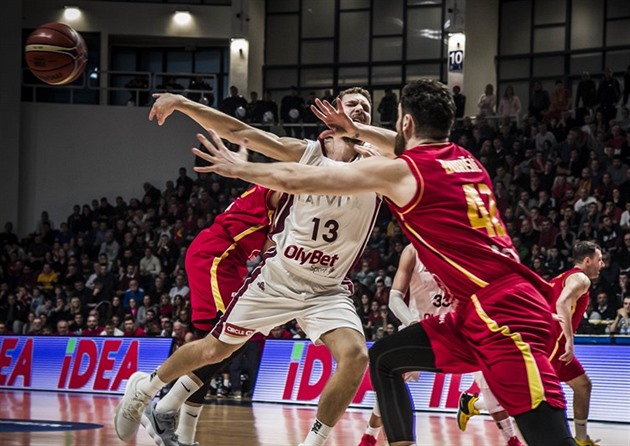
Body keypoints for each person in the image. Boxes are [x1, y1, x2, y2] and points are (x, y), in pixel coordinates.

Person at [192, 78, 575, 446]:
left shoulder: (405, 171)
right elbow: (398, 142)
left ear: (406, 121)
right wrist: (356, 130)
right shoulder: (463, 158)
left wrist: (240, 169)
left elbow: (299, 180)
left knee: (549, 437)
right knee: (385, 358)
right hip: (477, 310)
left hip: (505, 316)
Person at [116, 87, 382, 446]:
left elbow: (422, 148)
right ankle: (146, 389)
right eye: (353, 105)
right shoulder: (307, 154)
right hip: (277, 280)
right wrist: (183, 103)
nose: (361, 110)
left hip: (328, 289)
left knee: (355, 356)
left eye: (367, 108)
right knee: (215, 349)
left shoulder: (382, 166)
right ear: (331, 117)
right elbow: (244, 133)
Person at [358, 243, 523, 446]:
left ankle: (511, 439)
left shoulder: (457, 246)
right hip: (420, 328)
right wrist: (412, 325)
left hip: (455, 329)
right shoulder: (412, 251)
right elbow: (394, 298)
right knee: (389, 382)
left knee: (492, 382)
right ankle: (369, 437)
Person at [550, 241, 604, 446]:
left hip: (554, 340)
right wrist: (570, 341)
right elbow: (561, 303)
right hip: (554, 342)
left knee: (582, 386)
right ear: (588, 261)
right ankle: (476, 402)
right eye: (599, 260)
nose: (602, 265)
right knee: (531, 395)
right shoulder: (582, 278)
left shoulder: (560, 277)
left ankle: (581, 440)